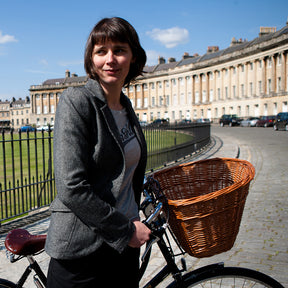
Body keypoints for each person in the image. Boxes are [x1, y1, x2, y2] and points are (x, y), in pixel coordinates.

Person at [45, 17, 151, 288]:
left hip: (124, 250)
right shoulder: (77, 101)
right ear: (91, 60)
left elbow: (122, 172)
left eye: (119, 50)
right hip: (82, 251)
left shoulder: (125, 107)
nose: (110, 59)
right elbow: (71, 187)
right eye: (101, 51)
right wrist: (125, 230)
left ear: (133, 57)